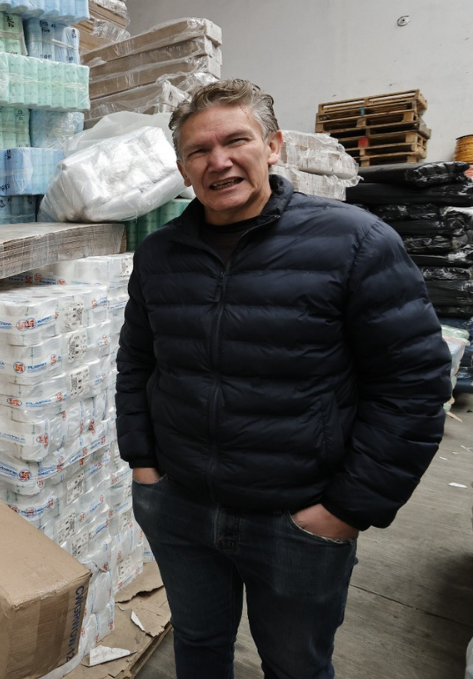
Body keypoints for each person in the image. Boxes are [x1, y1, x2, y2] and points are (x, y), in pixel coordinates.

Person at [116, 79, 453, 679]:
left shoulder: (353, 240)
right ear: (182, 169)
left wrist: (346, 509)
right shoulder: (160, 255)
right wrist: (144, 465)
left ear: (272, 146)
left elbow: (415, 385)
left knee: (296, 665)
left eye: (235, 140)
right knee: (197, 649)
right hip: (181, 505)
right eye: (198, 151)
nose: (218, 161)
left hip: (296, 517)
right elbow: (138, 362)